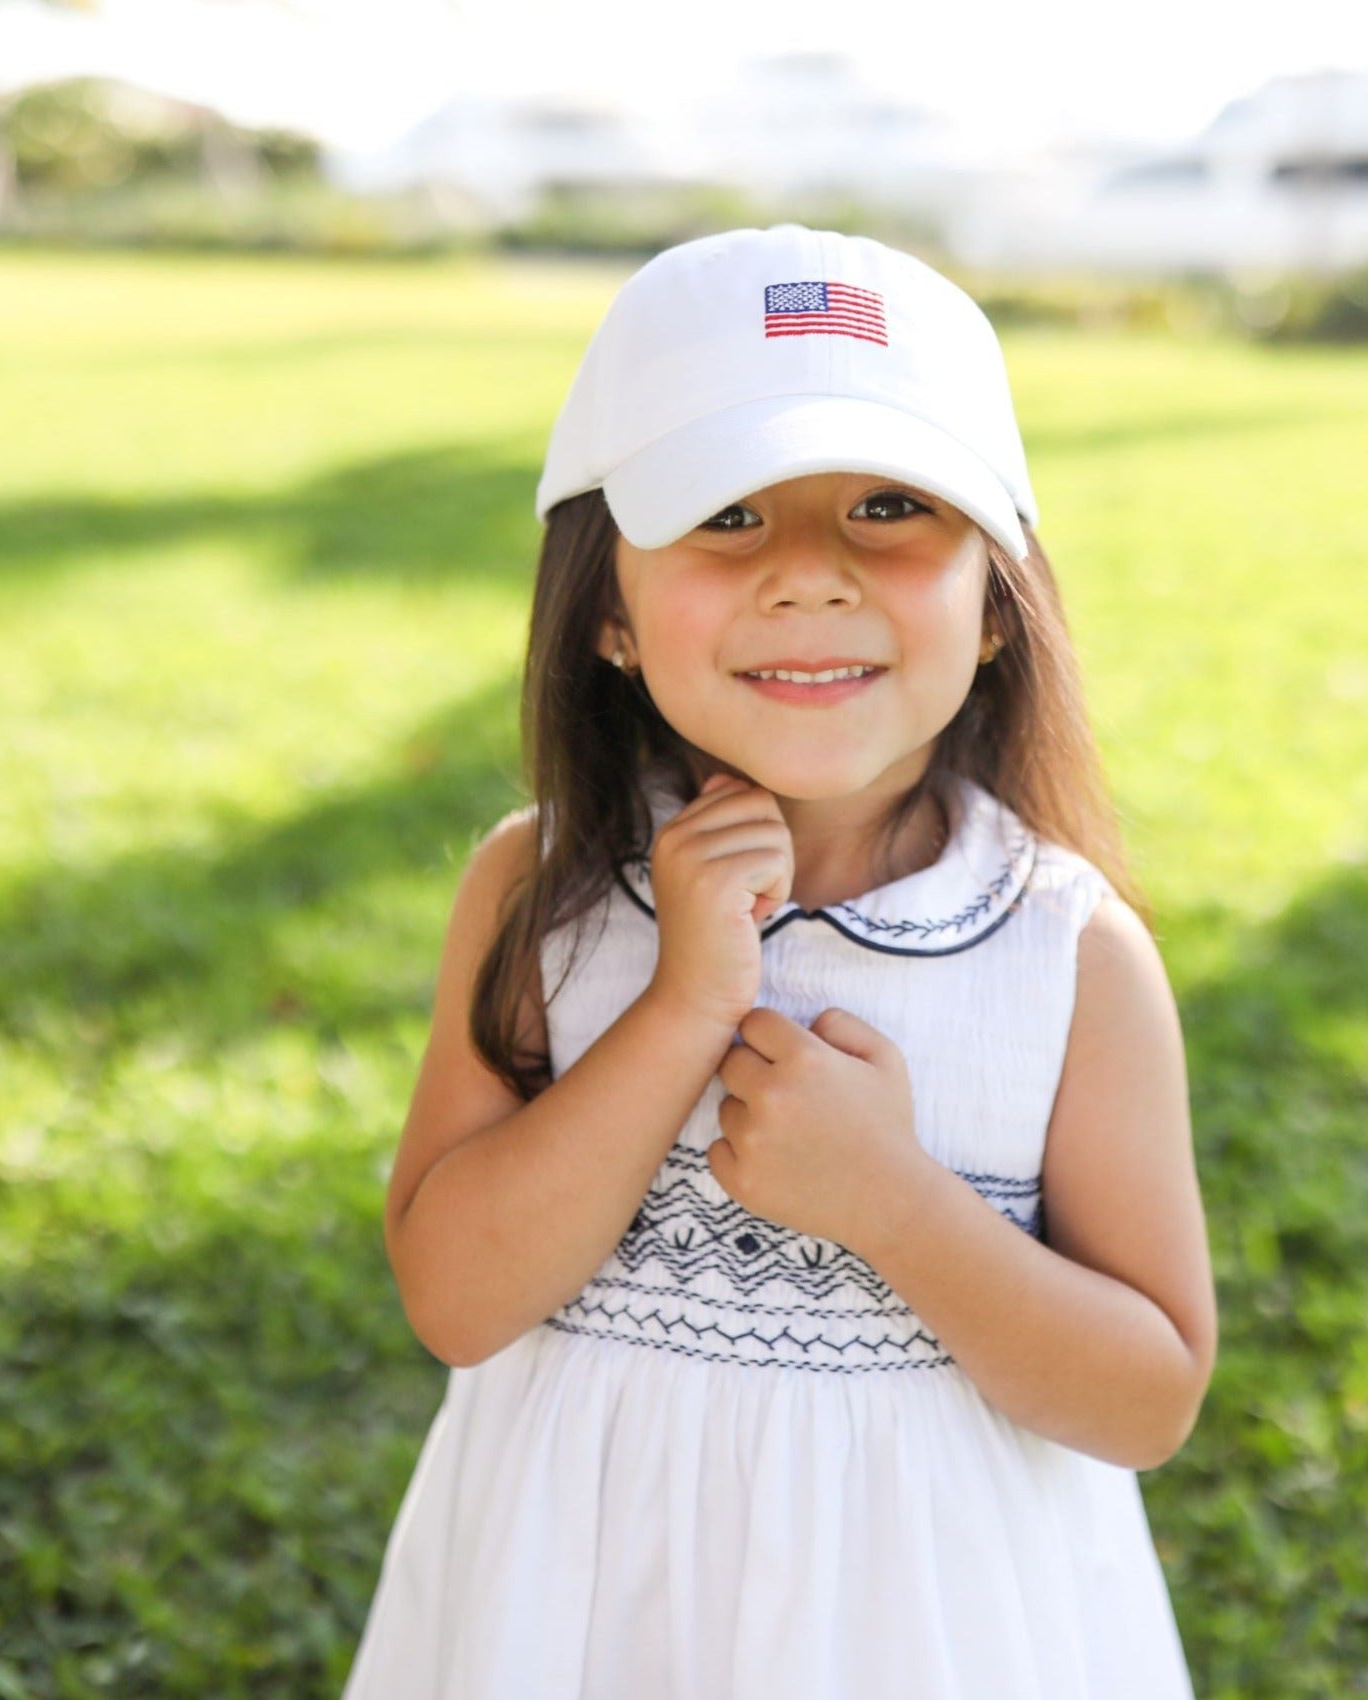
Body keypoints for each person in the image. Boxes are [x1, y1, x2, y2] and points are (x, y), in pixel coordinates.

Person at [339, 222, 1217, 1700]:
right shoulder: (537, 891)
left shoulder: (1067, 952)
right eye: (728, 514)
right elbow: (456, 1298)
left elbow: (1146, 1398)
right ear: (607, 608)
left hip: (927, 1634)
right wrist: (685, 1004)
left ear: (998, 598)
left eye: (888, 506)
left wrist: (894, 1204)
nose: (809, 577)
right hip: (582, 1616)